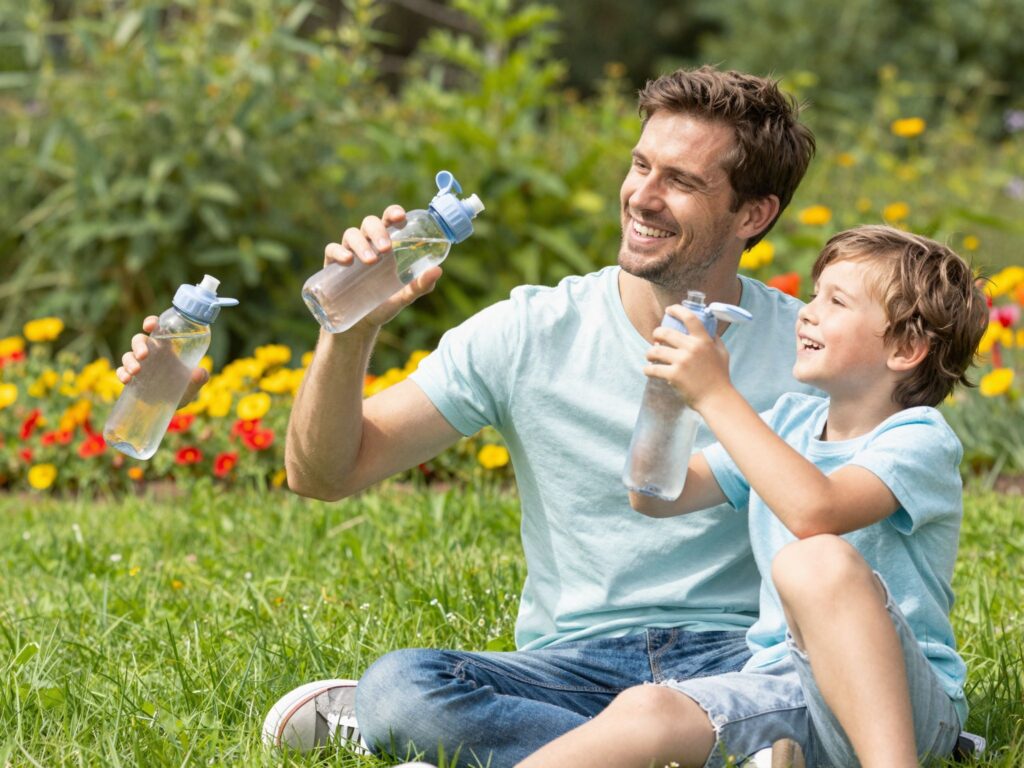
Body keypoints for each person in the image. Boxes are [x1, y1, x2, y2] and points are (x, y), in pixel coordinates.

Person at [121, 66, 818, 766]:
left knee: (821, 696)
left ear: (753, 214)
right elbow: (323, 474)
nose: (643, 196)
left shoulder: (808, 356)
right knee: (399, 689)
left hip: (741, 662)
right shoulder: (531, 331)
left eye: (682, 182)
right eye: (640, 165)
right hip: (571, 672)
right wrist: (350, 330)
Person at [517, 225, 988, 768]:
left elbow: (818, 512)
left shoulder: (918, 439)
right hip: (780, 688)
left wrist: (716, 394)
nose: (808, 312)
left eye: (836, 301)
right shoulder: (788, 424)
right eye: (814, 294)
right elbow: (654, 494)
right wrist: (671, 396)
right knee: (649, 708)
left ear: (906, 348)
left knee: (815, 559)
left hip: (903, 708)